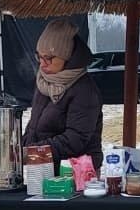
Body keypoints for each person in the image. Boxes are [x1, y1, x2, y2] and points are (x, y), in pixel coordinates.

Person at [21, 20, 103, 168]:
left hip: (77, 172)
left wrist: (33, 153)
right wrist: (20, 148)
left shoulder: (85, 90)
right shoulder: (44, 80)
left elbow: (76, 139)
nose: (42, 63)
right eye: (39, 56)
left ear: (67, 57)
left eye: (49, 58)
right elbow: (35, 124)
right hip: (45, 166)